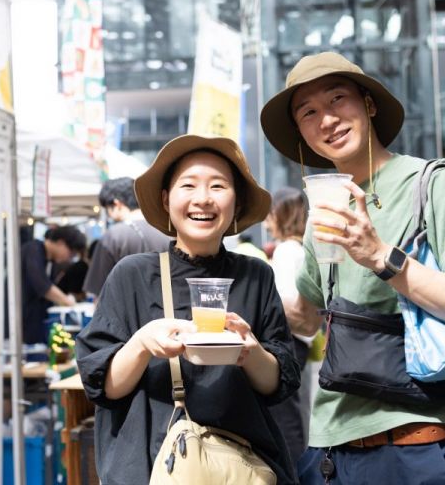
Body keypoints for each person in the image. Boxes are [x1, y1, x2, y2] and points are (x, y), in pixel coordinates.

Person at [260, 51, 445, 484]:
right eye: (309, 112)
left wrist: (382, 257)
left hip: (413, 440)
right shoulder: (324, 212)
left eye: (338, 100)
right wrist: (245, 300)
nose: (327, 120)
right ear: (300, 132)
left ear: (369, 104)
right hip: (329, 449)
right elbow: (307, 314)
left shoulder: (433, 184)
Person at [75, 134, 299, 484]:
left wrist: (251, 352)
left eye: (218, 186)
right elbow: (105, 387)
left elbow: (277, 384)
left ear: (236, 203)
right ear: (166, 200)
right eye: (188, 185)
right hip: (150, 466)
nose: (203, 199)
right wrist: (142, 343)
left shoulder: (255, 275)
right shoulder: (132, 275)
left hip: (239, 469)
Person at [265, 186, 312, 465]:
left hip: (288, 342)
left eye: (270, 215)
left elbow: (286, 304)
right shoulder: (301, 249)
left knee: (286, 420)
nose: (266, 222)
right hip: (301, 344)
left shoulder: (285, 251)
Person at [82, 177, 171, 300]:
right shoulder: (168, 231)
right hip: (167, 311)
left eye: (107, 209)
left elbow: (100, 291)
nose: (109, 215)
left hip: (124, 315)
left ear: (117, 204)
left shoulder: (113, 236)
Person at [21, 225, 84, 344]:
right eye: (71, 254)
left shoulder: (51, 261)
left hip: (36, 324)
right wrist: (67, 300)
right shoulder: (33, 249)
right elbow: (42, 285)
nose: (69, 259)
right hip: (21, 326)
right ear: (60, 243)